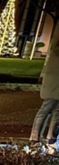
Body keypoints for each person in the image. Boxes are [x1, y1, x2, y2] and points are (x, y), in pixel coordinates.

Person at [29, 19, 59, 154]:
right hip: (55, 77)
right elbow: (56, 48)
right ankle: (35, 142)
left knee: (57, 111)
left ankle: (51, 142)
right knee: (47, 108)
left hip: (55, 76)